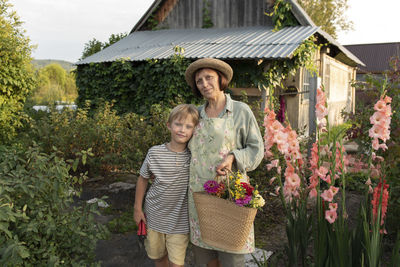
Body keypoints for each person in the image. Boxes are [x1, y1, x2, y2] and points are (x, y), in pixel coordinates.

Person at [185, 58, 264, 267]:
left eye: (208, 77)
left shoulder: (240, 111)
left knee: (232, 258)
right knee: (205, 259)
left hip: (230, 195)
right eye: (199, 80)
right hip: (199, 196)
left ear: (221, 80)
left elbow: (257, 149)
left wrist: (233, 157)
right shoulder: (196, 115)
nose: (204, 84)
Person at [133, 104, 199, 267]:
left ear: (194, 131)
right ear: (169, 125)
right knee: (158, 258)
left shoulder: (194, 157)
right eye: (178, 124)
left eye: (188, 126)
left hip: (179, 222)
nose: (182, 130)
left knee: (176, 263)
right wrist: (137, 208)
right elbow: (143, 178)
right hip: (154, 218)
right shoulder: (154, 152)